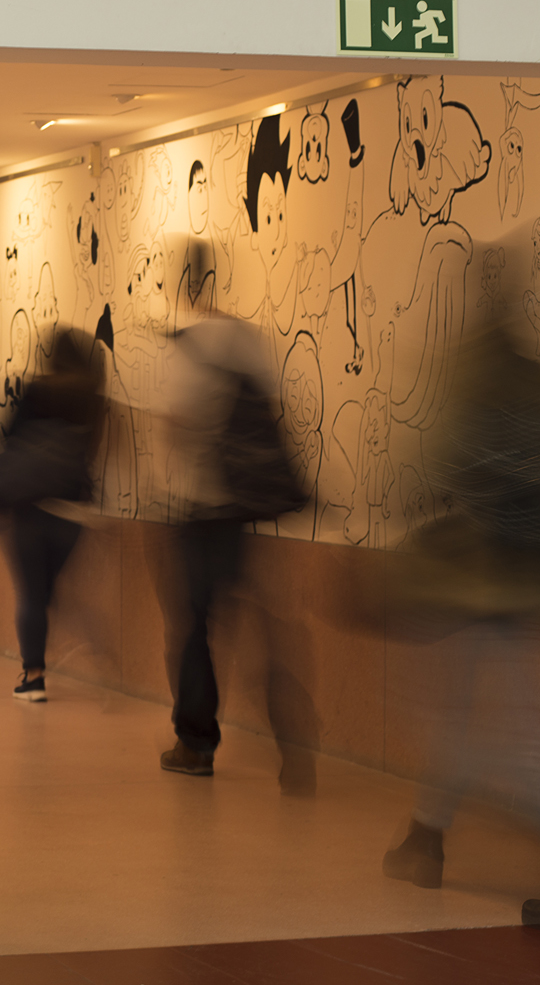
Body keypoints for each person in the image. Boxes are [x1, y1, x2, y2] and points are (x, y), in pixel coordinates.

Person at [381, 313, 540, 933]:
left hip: (485, 582)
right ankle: (426, 838)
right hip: (524, 581)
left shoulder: (479, 383)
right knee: (482, 714)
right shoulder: (531, 387)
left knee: (508, 727)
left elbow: (450, 467)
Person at [156, 307, 316, 787]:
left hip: (203, 513)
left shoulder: (193, 349)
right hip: (246, 516)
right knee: (267, 626)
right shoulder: (250, 344)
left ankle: (195, 744)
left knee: (195, 631)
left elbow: (177, 426)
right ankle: (295, 740)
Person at [0, 327, 104, 701]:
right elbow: (92, 452)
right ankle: (90, 640)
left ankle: (34, 676)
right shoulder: (92, 398)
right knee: (47, 591)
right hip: (73, 514)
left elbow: (7, 440)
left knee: (32, 595)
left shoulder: (37, 390)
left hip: (33, 509)